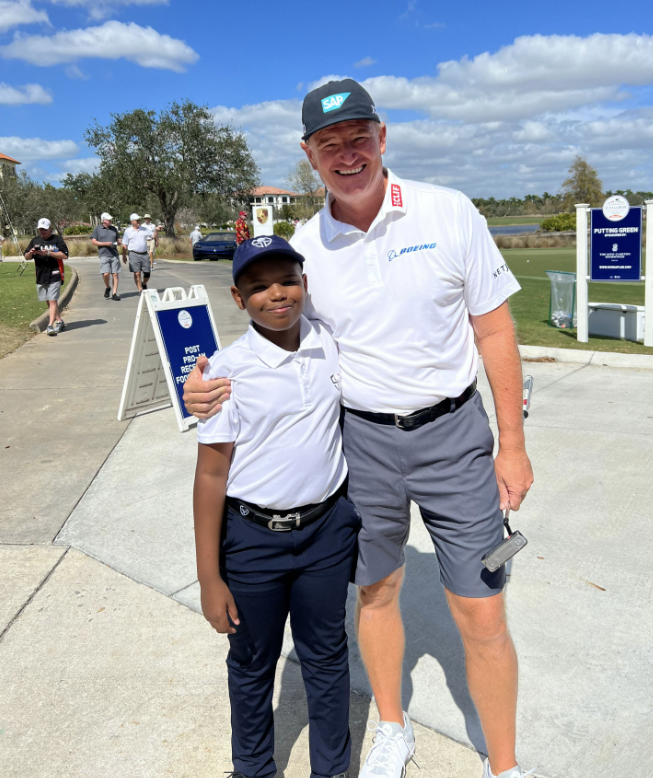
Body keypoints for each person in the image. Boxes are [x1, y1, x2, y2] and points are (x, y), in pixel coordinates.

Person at [184, 79, 534, 778]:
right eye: (329, 144)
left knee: (481, 610)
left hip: (454, 437)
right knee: (377, 593)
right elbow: (280, 328)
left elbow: (493, 328)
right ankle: (394, 728)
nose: (347, 154)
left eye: (358, 137)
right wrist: (204, 381)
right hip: (364, 443)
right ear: (309, 156)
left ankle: (504, 765)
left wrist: (513, 444)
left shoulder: (448, 211)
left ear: (382, 136)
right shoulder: (309, 244)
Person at [194, 234, 359, 778]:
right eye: (259, 287)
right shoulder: (227, 371)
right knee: (251, 664)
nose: (277, 295)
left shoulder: (331, 342)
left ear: (304, 285)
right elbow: (212, 473)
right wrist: (209, 577)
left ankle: (331, 770)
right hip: (253, 541)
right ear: (240, 300)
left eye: (287, 281)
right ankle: (253, 769)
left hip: (325, 533)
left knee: (327, 658)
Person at [24, 218, 69, 336]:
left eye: (44, 229)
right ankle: (59, 321)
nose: (42, 231)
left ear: (50, 229)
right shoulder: (35, 240)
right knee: (48, 300)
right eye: (40, 229)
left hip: (54, 274)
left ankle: (50, 326)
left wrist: (48, 253)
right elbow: (26, 257)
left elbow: (64, 255)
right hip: (40, 275)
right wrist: (31, 253)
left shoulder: (57, 240)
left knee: (53, 300)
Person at [91, 212, 121, 301]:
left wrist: (118, 242)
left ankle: (114, 293)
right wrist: (105, 244)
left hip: (114, 254)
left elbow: (117, 239)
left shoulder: (114, 229)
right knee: (106, 274)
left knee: (115, 274)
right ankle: (108, 287)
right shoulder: (97, 229)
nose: (110, 221)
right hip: (104, 254)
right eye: (108, 219)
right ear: (103, 220)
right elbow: (94, 242)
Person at [122, 213, 153, 293]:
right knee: (137, 273)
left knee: (147, 273)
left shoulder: (144, 229)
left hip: (144, 254)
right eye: (137, 220)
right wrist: (124, 255)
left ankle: (144, 283)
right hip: (133, 253)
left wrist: (156, 230)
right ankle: (140, 290)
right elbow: (124, 244)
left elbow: (152, 236)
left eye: (139, 220)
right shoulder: (128, 231)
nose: (139, 221)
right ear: (132, 221)